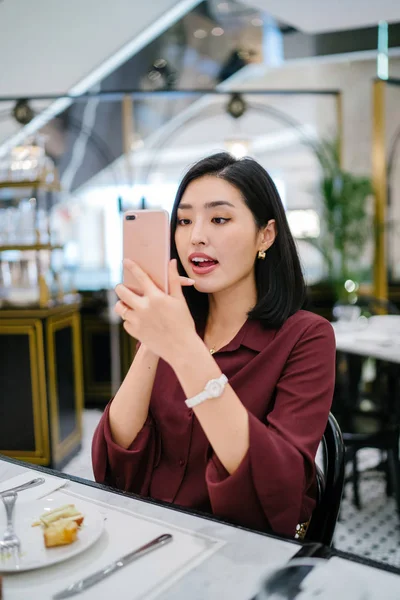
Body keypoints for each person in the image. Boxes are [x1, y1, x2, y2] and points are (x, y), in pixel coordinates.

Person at [92, 152, 336, 537]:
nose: (196, 236)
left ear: (265, 235)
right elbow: (115, 464)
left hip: (240, 550)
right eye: (185, 220)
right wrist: (155, 342)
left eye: (219, 219)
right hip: (150, 533)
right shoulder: (173, 325)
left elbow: (280, 491)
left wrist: (184, 349)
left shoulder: (306, 337)